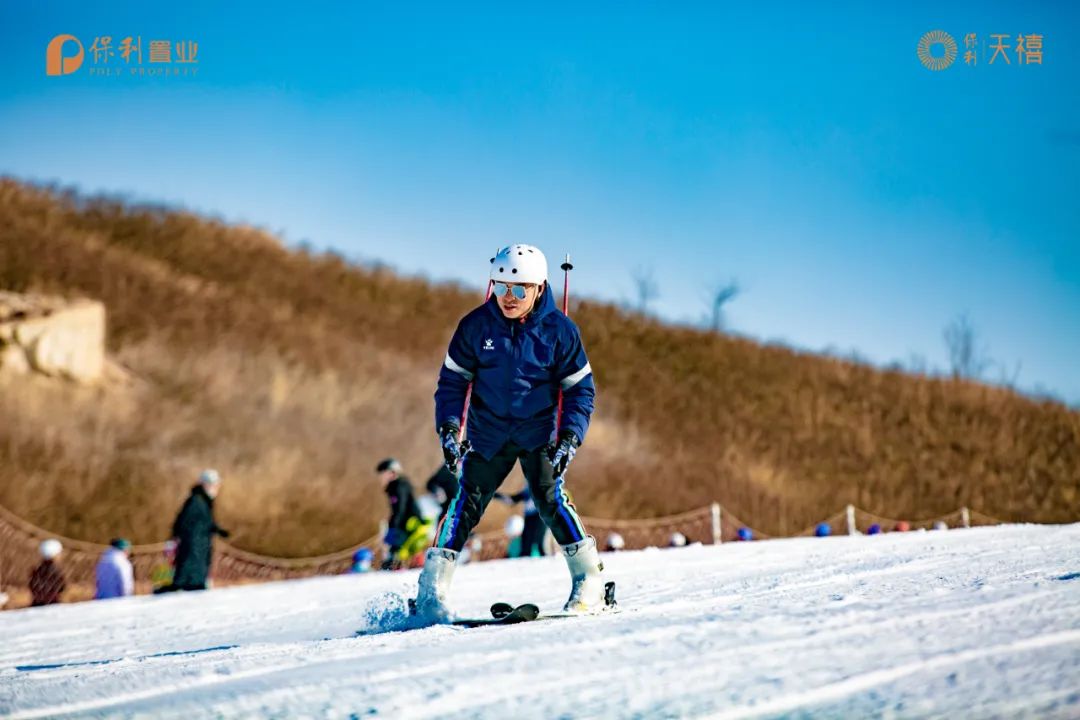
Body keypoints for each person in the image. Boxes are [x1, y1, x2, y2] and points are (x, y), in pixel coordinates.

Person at [415, 244, 602, 620]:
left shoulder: (560, 332)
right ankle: (431, 591)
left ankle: (588, 581)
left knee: (549, 497)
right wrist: (449, 429)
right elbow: (452, 382)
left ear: (539, 288)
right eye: (501, 287)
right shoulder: (475, 325)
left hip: (540, 433)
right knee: (466, 501)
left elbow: (580, 391)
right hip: (489, 433)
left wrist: (569, 439)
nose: (509, 298)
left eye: (519, 290)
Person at [165, 469, 230, 592]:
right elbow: (184, 523)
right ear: (206, 484)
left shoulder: (203, 501)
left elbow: (204, 522)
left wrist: (217, 530)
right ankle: (189, 583)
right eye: (215, 485)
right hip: (194, 546)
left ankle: (193, 583)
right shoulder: (196, 501)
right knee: (191, 578)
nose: (217, 488)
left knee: (197, 576)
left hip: (200, 545)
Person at [378, 458, 432, 570]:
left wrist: (394, 525)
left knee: (398, 550)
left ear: (392, 472)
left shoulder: (399, 486)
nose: (381, 477)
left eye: (384, 473)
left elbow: (400, 509)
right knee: (400, 550)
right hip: (406, 522)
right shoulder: (396, 486)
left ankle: (397, 567)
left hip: (408, 523)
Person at [495, 486, 548, 557]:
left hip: (539, 517)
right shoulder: (528, 488)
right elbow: (512, 500)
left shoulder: (541, 484)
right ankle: (523, 562)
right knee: (526, 546)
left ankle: (544, 561)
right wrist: (496, 495)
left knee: (538, 544)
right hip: (529, 517)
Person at [29, 539, 66, 606]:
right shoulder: (54, 571)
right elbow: (62, 587)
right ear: (54, 555)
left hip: (36, 604)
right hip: (52, 604)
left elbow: (32, 586)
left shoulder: (37, 570)